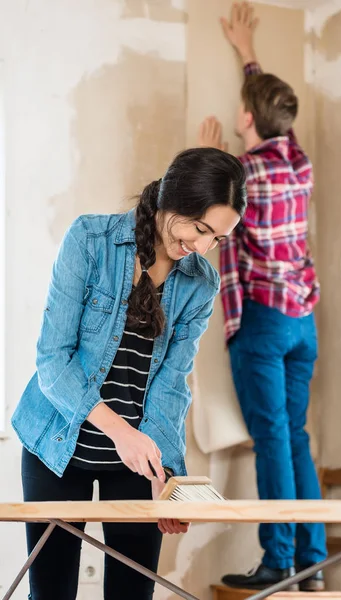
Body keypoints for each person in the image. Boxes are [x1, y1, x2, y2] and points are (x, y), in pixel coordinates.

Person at [11, 147, 247, 600]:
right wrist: (121, 432)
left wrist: (170, 479)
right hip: (55, 447)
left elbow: (171, 384)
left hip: (136, 459)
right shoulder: (89, 240)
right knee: (51, 593)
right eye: (200, 229)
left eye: (217, 238)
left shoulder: (201, 283)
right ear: (172, 198)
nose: (201, 248)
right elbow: (53, 363)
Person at [198, 2, 327, 592]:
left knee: (273, 436)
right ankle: (314, 563)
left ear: (246, 118)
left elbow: (204, 219)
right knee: (294, 435)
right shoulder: (296, 161)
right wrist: (249, 55)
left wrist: (205, 154)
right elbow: (274, 113)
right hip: (304, 320)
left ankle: (277, 560)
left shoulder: (241, 173)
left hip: (265, 321)